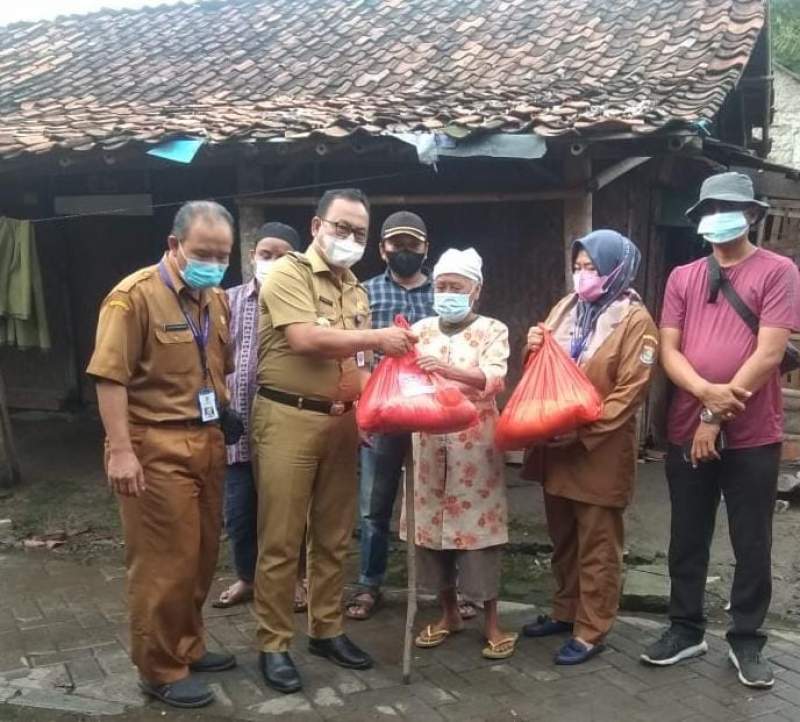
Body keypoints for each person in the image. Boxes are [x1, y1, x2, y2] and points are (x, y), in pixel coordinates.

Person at [251, 188, 418, 694]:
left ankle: (326, 629)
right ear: (316, 225)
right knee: (281, 539)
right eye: (341, 228)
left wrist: (393, 399)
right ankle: (273, 642)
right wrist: (377, 340)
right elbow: (305, 339)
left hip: (344, 422)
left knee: (333, 535)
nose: (349, 239)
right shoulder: (288, 274)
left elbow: (357, 365)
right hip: (288, 417)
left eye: (360, 233)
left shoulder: (355, 290)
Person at [641, 172, 800, 689]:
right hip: (688, 423)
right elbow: (669, 350)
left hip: (752, 432)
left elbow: (770, 353)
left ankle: (748, 638)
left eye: (730, 207)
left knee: (751, 538)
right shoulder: (683, 276)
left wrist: (714, 413)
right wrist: (704, 395)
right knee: (687, 533)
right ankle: (685, 627)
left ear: (752, 214)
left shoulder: (778, 271)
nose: (718, 216)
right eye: (709, 208)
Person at [86, 201, 237, 709]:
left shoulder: (215, 299)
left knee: (200, 557)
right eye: (203, 253)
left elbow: (214, 366)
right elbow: (110, 379)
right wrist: (121, 451)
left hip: (208, 441)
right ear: (174, 246)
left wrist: (228, 413)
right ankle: (159, 667)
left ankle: (188, 647)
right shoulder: (132, 299)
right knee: (162, 564)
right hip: (155, 445)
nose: (213, 263)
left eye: (222, 254)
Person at [520, 230, 658, 665]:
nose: (583, 275)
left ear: (617, 269)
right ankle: (565, 611)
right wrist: (531, 349)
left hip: (598, 452)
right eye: (578, 267)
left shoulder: (636, 321)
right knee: (562, 539)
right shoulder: (567, 307)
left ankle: (592, 629)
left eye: (592, 268)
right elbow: (541, 369)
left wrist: (582, 431)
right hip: (555, 447)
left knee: (597, 546)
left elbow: (629, 394)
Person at [405, 248, 517, 660]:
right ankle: (449, 614)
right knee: (432, 533)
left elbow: (494, 378)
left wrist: (447, 371)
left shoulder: (493, 330)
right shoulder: (420, 330)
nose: (447, 293)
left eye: (457, 287)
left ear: (476, 290)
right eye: (441, 286)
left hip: (476, 446)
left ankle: (491, 621)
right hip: (428, 447)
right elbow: (406, 381)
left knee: (479, 534)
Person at [214, 222, 308, 611]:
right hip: (237, 430)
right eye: (265, 254)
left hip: (284, 428)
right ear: (252, 256)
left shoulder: (304, 305)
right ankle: (247, 578)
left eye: (282, 256)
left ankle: (298, 580)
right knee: (239, 514)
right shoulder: (226, 300)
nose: (271, 261)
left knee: (288, 512)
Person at [346, 210, 435, 621]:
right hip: (380, 413)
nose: (404, 252)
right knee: (373, 506)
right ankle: (370, 583)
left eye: (412, 245)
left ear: (425, 249)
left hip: (431, 414)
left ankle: (443, 589)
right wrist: (362, 411)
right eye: (396, 245)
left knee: (436, 502)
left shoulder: (441, 293)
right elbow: (357, 355)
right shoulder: (364, 294)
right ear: (382, 249)